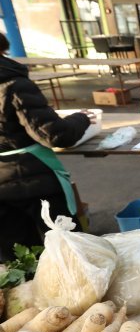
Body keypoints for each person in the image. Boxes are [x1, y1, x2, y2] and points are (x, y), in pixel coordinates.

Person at [0, 33, 95, 261]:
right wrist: (82, 118)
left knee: (18, 263)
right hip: (36, 185)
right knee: (68, 255)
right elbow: (55, 134)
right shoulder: (13, 83)